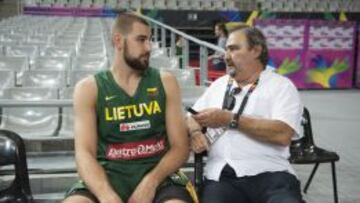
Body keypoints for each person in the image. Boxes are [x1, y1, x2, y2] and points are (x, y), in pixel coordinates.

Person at [63, 12, 195, 203]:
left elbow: (180, 148)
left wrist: (150, 182)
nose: (148, 47)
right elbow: (84, 153)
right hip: (107, 176)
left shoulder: (166, 82)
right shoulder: (88, 88)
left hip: (159, 176)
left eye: (149, 40)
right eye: (141, 40)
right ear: (118, 41)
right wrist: (105, 195)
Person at [187, 24, 304, 203]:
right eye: (226, 50)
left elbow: (282, 134)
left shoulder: (281, 86)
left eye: (233, 49)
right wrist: (195, 132)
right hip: (221, 177)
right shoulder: (219, 85)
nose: (226, 56)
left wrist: (230, 119)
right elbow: (192, 117)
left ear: (256, 50)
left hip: (271, 173)